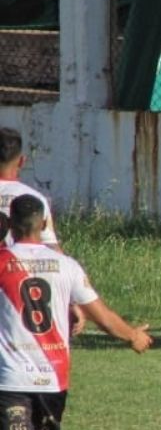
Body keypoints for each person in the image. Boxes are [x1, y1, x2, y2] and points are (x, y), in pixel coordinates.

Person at [0, 194, 152, 430]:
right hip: (53, 377)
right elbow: (102, 316)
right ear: (44, 224)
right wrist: (133, 335)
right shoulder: (67, 265)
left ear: (9, 224)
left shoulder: (3, 261)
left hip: (10, 378)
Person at [0, 127, 86, 336]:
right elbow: (51, 249)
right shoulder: (33, 200)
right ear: (22, 161)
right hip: (15, 290)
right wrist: (72, 300)